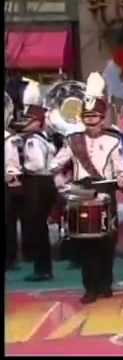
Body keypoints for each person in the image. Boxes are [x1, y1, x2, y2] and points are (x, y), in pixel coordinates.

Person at [49, 72, 123, 303]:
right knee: (85, 243)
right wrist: (61, 184)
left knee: (106, 240)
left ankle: (105, 284)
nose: (92, 121)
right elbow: (54, 165)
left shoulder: (113, 140)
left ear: (103, 118)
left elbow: (119, 167)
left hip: (105, 190)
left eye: (95, 117)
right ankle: (90, 287)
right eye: (87, 117)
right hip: (81, 192)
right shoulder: (73, 140)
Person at [8, 81, 58, 281]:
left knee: (36, 228)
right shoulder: (44, 138)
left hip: (37, 184)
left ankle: (42, 269)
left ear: (37, 122)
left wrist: (22, 169)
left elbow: (36, 164)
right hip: (45, 184)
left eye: (29, 120)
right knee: (39, 228)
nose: (25, 123)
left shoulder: (33, 141)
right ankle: (42, 267)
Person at [5, 91, 24, 271]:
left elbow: (12, 165)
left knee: (8, 223)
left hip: (6, 185)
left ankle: (10, 258)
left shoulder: (8, 138)